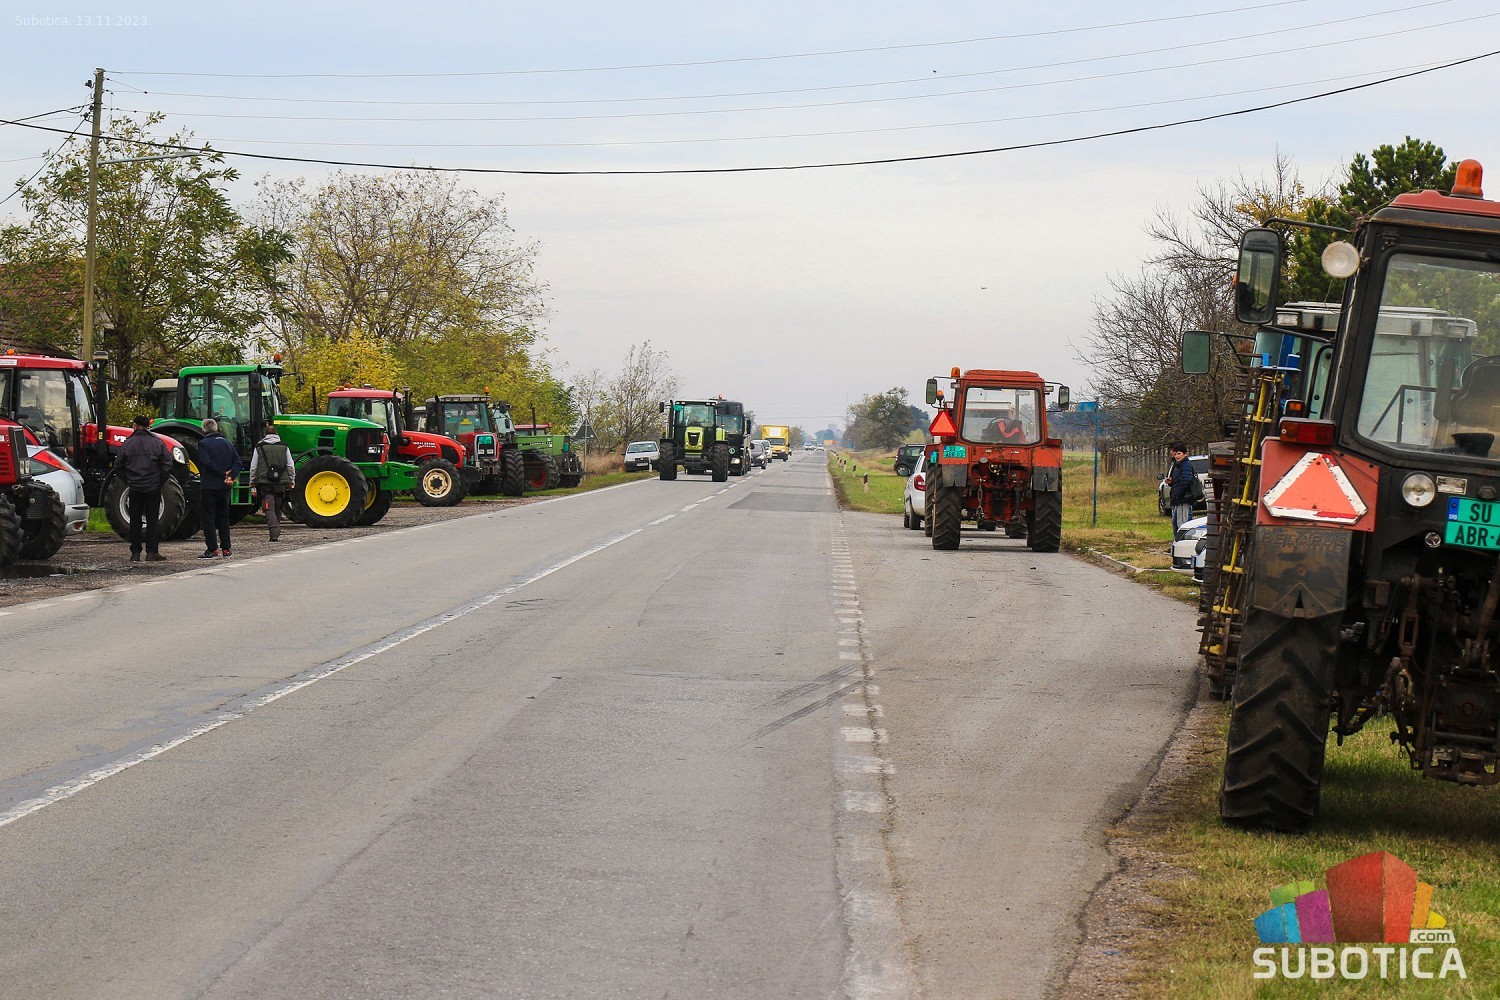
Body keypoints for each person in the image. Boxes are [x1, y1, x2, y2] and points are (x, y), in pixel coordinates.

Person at [114, 414, 173, 563]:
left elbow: (118, 465)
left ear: (135, 426)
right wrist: (159, 481)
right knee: (153, 520)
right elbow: (167, 463)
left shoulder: (128, 443)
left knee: (135, 520)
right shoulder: (157, 442)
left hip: (135, 487)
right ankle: (152, 552)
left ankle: (135, 553)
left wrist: (129, 480)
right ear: (148, 426)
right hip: (153, 487)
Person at [196, 417, 242, 558]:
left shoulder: (203, 444)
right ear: (216, 428)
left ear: (204, 430)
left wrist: (222, 473)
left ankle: (212, 549)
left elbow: (206, 462)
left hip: (210, 485)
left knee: (208, 517)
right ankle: (226, 549)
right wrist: (230, 475)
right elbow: (238, 461)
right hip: (225, 486)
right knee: (223, 517)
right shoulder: (227, 443)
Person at [249, 420, 296, 542]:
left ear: (265, 435)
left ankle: (274, 530)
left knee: (268, 507)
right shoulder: (284, 446)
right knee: (278, 506)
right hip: (281, 481)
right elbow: (290, 465)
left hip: (265, 482)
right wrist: (291, 480)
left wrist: (252, 480)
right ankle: (276, 528)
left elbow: (253, 467)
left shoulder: (259, 447)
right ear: (277, 434)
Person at [1167, 442, 1197, 532]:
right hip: (1178, 499)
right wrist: (1171, 482)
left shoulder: (1186, 465)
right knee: (1175, 522)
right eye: (1175, 454)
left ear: (1185, 454)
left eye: (1179, 453)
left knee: (1183, 524)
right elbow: (1178, 481)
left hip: (1183, 499)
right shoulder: (1177, 465)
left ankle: (1184, 540)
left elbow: (1186, 481)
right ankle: (1177, 539)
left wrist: (1177, 495)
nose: (1177, 456)